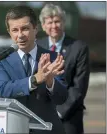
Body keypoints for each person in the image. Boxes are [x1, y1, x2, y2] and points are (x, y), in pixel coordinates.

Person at [0, 5, 68, 134]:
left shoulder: (53, 58)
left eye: (25, 29)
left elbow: (62, 98)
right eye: (15, 30)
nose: (20, 35)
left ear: (35, 28)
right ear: (9, 32)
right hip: (12, 129)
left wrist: (50, 82)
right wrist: (35, 79)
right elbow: (4, 89)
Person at [37, 4, 90, 134]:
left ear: (63, 23)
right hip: (40, 118)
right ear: (43, 26)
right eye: (49, 22)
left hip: (68, 118)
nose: (54, 26)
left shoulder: (79, 48)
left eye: (57, 21)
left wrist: (59, 112)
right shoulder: (37, 46)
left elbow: (79, 87)